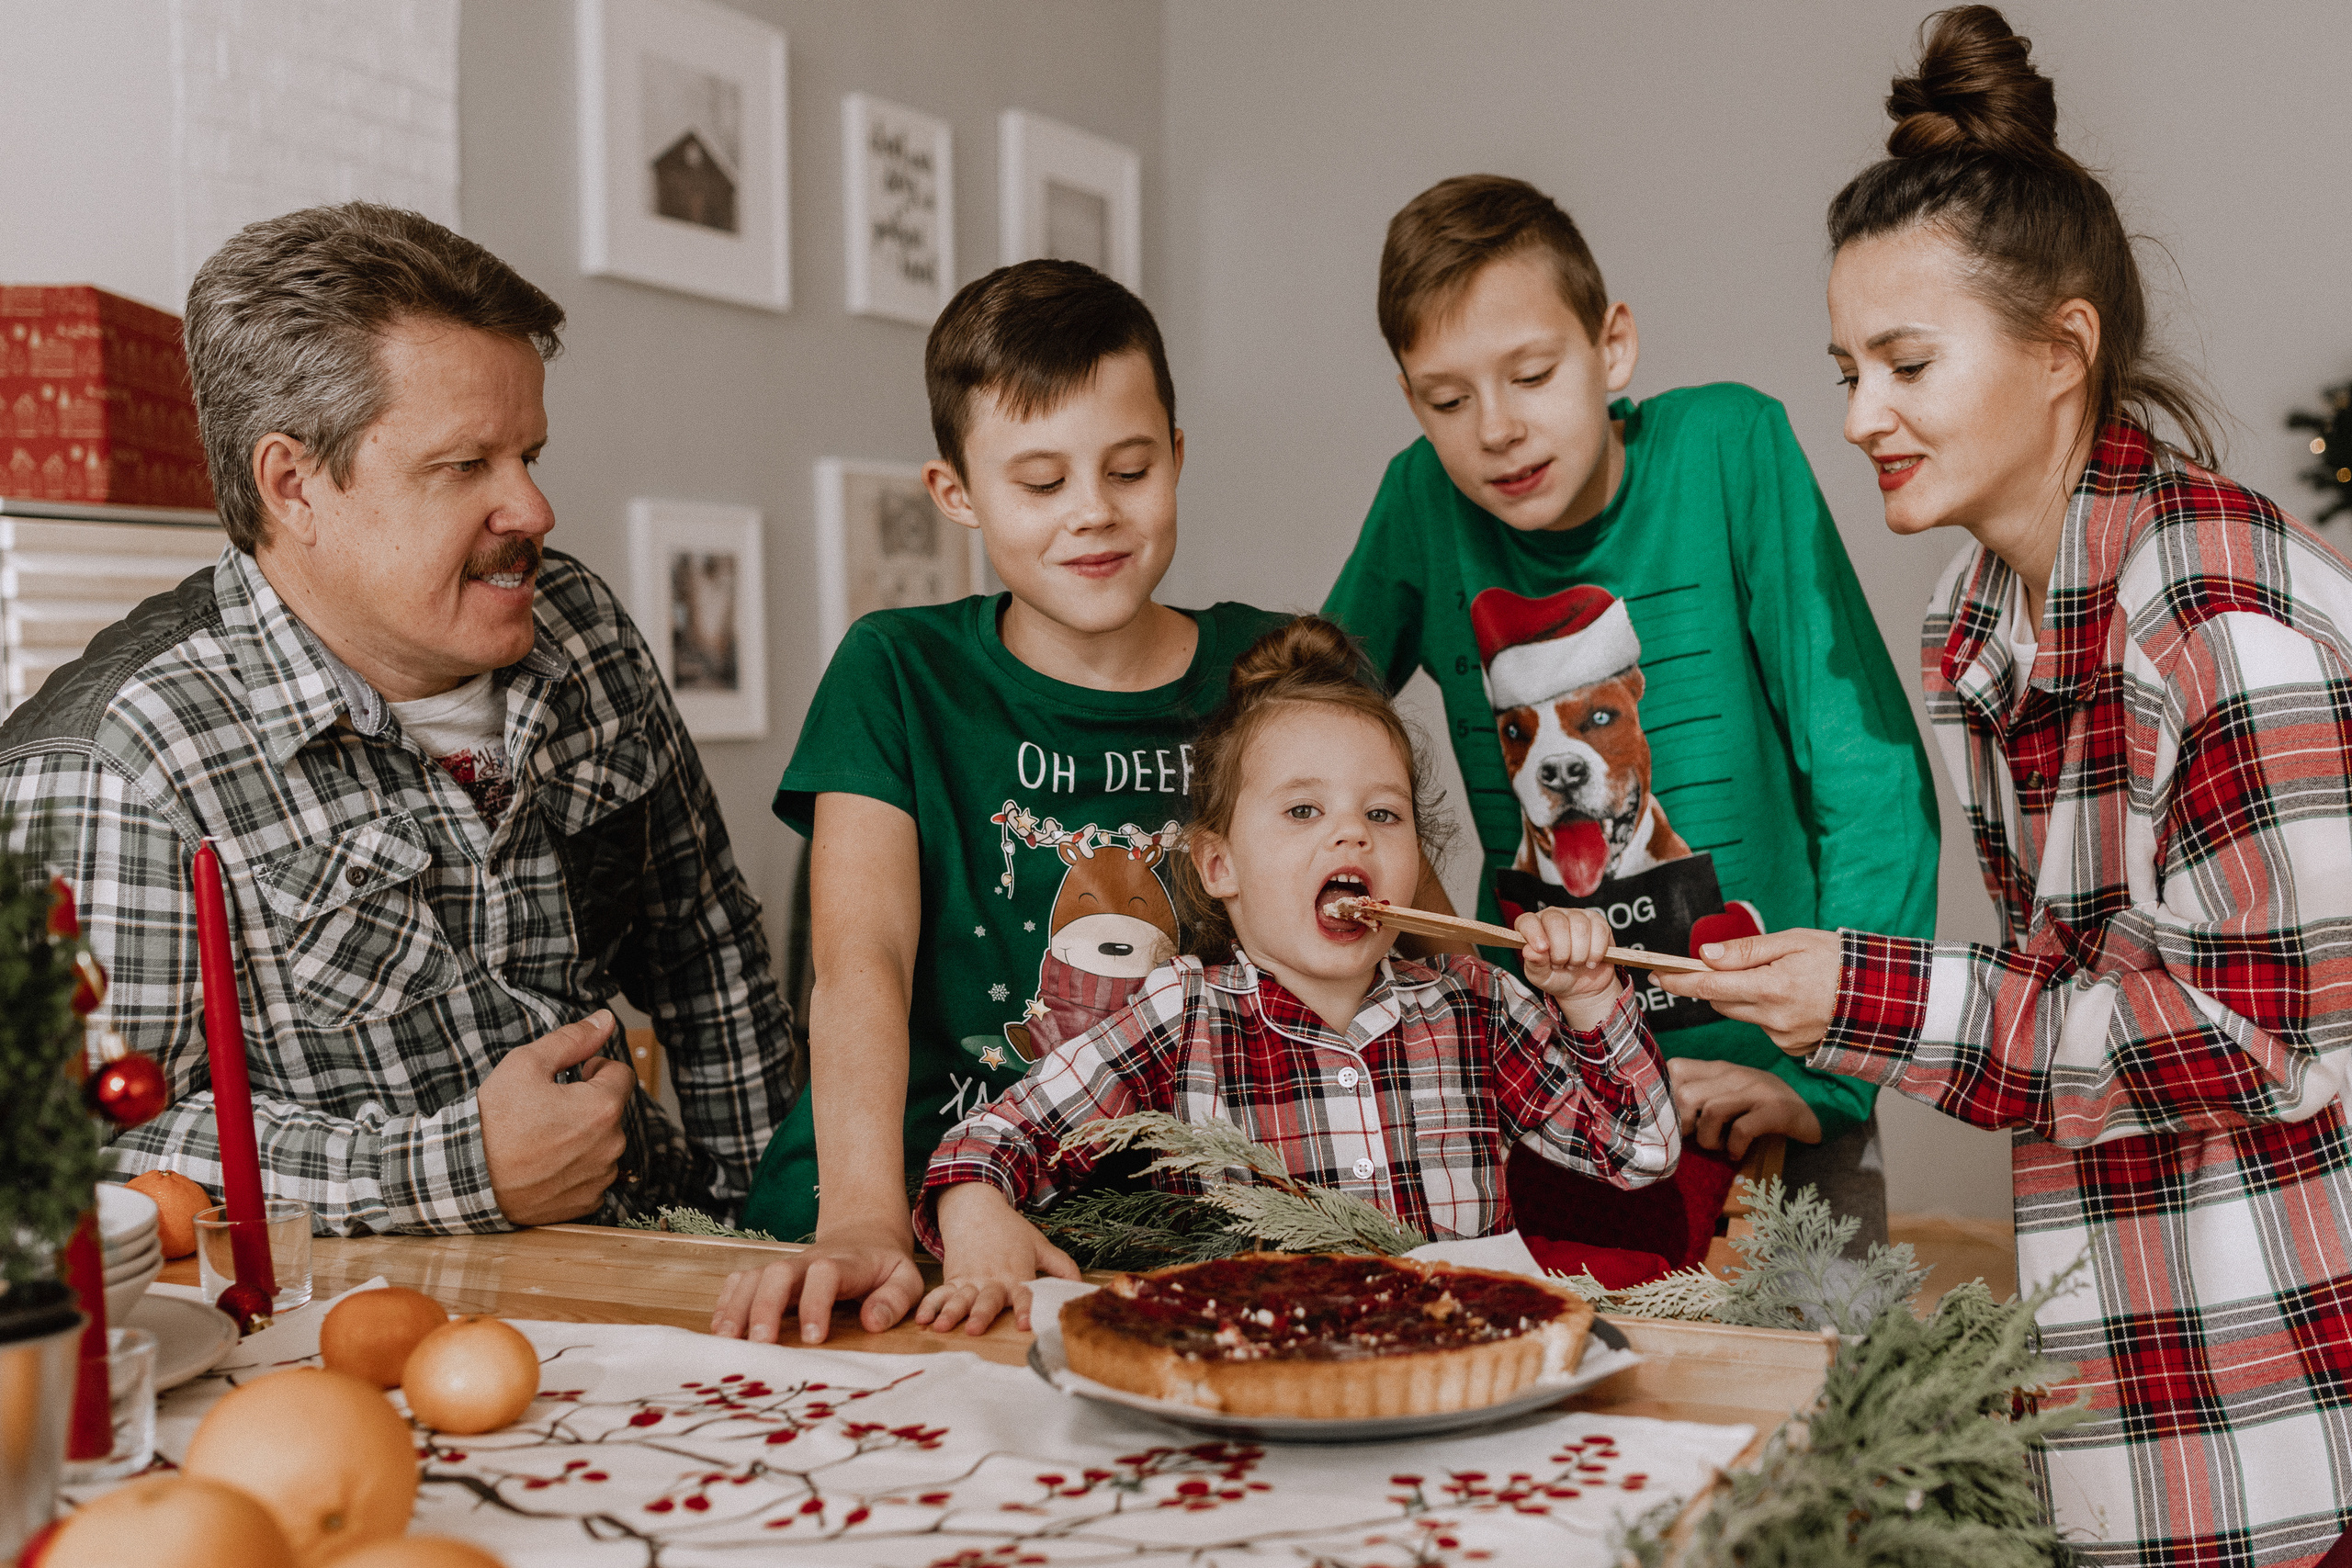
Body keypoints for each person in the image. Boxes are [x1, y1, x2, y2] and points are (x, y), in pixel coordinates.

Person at [1660, 7, 2352, 1559]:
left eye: (1907, 362)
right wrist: (1845, 991)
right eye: (1846, 367)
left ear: (2062, 352)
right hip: (2117, 1384)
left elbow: (2245, 1040)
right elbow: (2065, 1003)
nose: (1859, 417)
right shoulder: (1981, 622)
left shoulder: (2219, 625)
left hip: (2288, 1413)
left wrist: (1874, 997)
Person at [0, 202, 795, 1235]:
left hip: (658, 1257)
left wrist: (782, 1232)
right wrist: (451, 1171)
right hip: (361, 1332)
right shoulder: (113, 765)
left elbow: (707, 953)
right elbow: (61, 1146)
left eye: (530, 456)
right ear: (292, 485)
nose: (534, 511)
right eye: (465, 467)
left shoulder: (582, 627)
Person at [1320, 175, 1936, 1250]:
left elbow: (1866, 766)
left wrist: (1829, 1075)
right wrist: (1424, 934)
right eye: (1446, 400)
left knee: (1821, 1387)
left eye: (1532, 375)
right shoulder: (1420, 501)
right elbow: (1301, 724)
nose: (1498, 431)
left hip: (1777, 1087)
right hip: (1545, 1094)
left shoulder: (1730, 448)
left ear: (1612, 346)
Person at [718, 261, 1326, 1344]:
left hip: (1190, 1216)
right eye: (1039, 485)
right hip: (898, 1187)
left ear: (1177, 458)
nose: (1093, 513)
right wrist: (861, 1216)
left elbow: (1396, 944)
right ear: (955, 494)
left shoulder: (1276, 669)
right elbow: (861, 957)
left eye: (1130, 470)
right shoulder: (897, 671)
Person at [909, 616, 1678, 1336]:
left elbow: (1640, 1151)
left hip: (1456, 1369)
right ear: (1220, 865)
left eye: (1384, 814)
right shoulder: (1182, 1014)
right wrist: (975, 1214)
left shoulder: (1476, 1006)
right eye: (1304, 810)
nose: (1351, 830)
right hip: (1250, 1381)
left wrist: (1588, 996)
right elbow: (997, 1136)